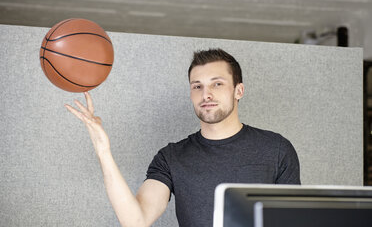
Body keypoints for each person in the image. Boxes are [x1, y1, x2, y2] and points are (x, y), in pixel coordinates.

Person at [65, 48, 300, 227]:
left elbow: (293, 221)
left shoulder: (277, 149)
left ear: (239, 90)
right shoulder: (171, 157)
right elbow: (136, 220)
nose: (206, 94)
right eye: (197, 86)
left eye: (217, 84)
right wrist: (103, 152)